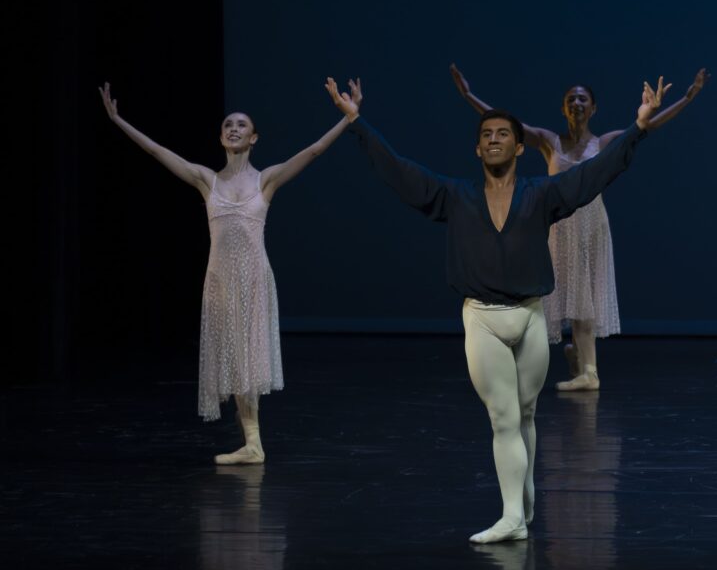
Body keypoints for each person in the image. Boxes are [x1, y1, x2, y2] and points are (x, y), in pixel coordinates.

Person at [334, 76, 681, 543]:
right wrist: (357, 123)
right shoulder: (456, 197)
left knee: (526, 413)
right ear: (478, 150)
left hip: (531, 314)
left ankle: (524, 491)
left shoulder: (541, 194)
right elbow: (400, 172)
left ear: (519, 148)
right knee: (503, 418)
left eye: (502, 134)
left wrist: (637, 128)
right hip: (482, 318)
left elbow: (596, 174)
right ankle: (512, 516)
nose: (493, 139)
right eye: (486, 135)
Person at [98, 82, 354, 464]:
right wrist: (118, 120)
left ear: (254, 138)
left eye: (241, 125)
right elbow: (157, 150)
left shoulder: (266, 179)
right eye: (228, 125)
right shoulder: (208, 180)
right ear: (221, 137)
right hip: (220, 281)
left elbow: (314, 150)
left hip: (254, 279)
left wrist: (348, 119)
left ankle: (253, 443)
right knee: (235, 359)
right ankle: (252, 440)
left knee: (248, 358)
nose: (234, 128)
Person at [449, 66, 708, 391]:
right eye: (571, 99)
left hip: (591, 225)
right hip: (560, 227)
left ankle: (589, 372)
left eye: (583, 99)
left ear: (593, 108)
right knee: (563, 295)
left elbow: (646, 127)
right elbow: (510, 126)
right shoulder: (550, 141)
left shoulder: (603, 142)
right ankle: (575, 358)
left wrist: (688, 97)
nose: (577, 103)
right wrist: (468, 95)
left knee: (584, 298)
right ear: (563, 108)